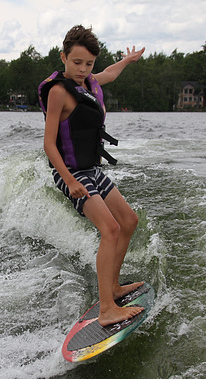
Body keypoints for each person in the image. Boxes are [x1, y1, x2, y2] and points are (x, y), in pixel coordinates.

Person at [38, 25, 145, 327]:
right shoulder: (59, 92)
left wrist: (128, 61)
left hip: (91, 170)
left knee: (128, 221)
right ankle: (107, 309)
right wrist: (69, 181)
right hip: (71, 172)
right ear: (63, 58)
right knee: (110, 228)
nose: (83, 70)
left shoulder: (88, 83)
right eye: (77, 63)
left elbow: (109, 73)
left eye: (88, 64)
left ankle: (112, 286)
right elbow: (48, 143)